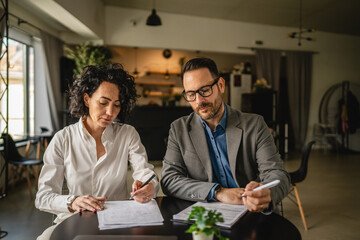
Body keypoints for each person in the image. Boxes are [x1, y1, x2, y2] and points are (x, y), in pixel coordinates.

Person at [35, 63, 158, 239]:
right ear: (87, 99)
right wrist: (73, 201)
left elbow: (145, 172)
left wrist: (148, 186)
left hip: (118, 221)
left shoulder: (127, 134)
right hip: (74, 219)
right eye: (103, 103)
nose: (110, 112)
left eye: (116, 105)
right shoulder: (63, 139)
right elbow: (43, 197)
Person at [161, 57, 290, 213]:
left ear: (221, 85)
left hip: (251, 212)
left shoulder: (255, 125)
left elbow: (277, 174)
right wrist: (218, 192)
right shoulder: (178, 129)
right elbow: (169, 180)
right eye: (191, 94)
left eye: (205, 90)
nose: (199, 101)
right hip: (207, 215)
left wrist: (266, 193)